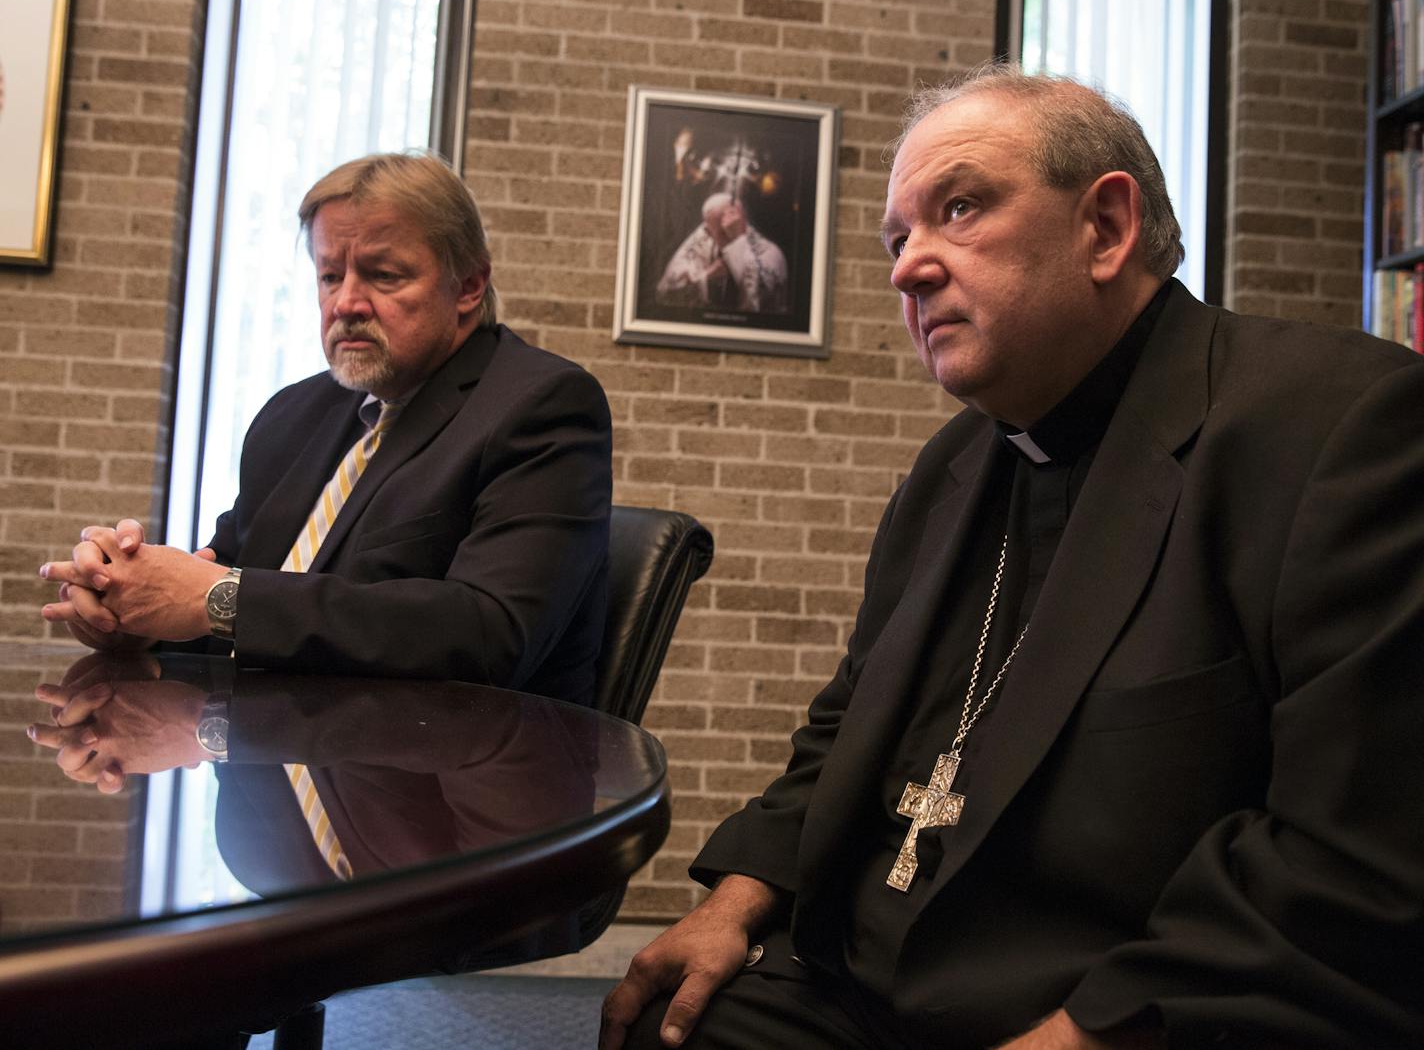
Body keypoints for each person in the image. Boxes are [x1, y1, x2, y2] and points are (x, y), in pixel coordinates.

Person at [601, 67, 1424, 1050]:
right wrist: (731, 902)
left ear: (1105, 227)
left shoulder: (1339, 426)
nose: (908, 267)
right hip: (861, 976)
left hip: (1112, 998)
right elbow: (843, 725)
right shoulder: (954, 462)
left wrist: (1080, 1033)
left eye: (958, 208)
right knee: (664, 1021)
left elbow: (1348, 857)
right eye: (896, 239)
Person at [33, 150, 613, 809]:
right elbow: (229, 572)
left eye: (383, 275)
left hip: (460, 821)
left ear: (470, 286)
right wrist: (133, 605)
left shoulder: (542, 404)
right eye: (329, 274)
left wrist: (216, 597)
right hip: (280, 791)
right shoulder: (295, 413)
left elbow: (489, 634)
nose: (346, 302)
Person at [656, 192, 789, 314]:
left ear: (744, 221)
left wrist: (738, 244)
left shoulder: (769, 251)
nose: (729, 237)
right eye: (723, 233)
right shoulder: (702, 239)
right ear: (708, 230)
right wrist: (707, 276)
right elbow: (664, 292)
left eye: (734, 228)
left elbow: (760, 305)